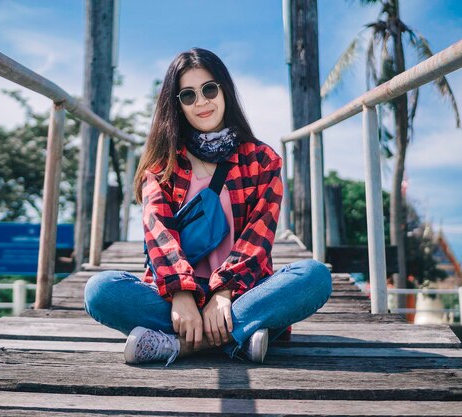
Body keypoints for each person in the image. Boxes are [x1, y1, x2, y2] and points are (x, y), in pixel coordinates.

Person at [84, 48, 332, 366]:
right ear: (177, 105)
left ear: (224, 90)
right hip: (175, 297)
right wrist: (182, 295)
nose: (201, 102)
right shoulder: (161, 166)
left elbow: (258, 239)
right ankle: (239, 338)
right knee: (100, 290)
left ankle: (182, 344)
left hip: (241, 293)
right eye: (188, 95)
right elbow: (160, 239)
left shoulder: (261, 160)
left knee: (314, 276)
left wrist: (224, 293)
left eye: (209, 89)